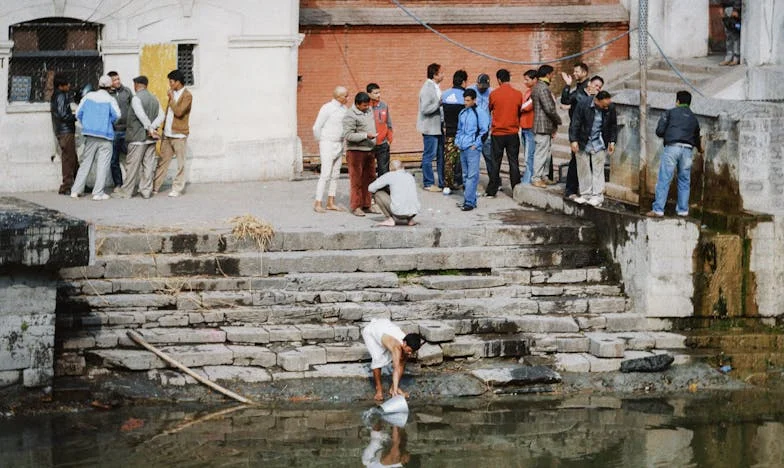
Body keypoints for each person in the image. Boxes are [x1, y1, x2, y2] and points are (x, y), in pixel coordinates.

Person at [647, 90, 703, 218]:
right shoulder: (694, 118)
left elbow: (659, 131)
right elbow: (697, 138)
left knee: (664, 178)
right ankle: (683, 210)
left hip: (672, 148)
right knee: (684, 180)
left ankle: (658, 210)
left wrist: (669, 133)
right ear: (689, 103)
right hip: (687, 150)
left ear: (677, 101)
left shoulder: (669, 113)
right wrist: (700, 149)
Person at [111, 76, 164, 199]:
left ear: (137, 85)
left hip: (137, 137)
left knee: (132, 166)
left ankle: (127, 191)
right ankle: (146, 191)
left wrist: (149, 129)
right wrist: (153, 127)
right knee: (148, 165)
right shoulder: (154, 98)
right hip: (151, 139)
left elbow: (141, 115)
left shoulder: (136, 98)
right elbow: (161, 115)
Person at [71, 75, 120, 201]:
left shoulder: (88, 96)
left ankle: (76, 190)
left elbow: (78, 113)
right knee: (103, 165)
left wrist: (86, 124)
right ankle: (98, 193)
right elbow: (117, 115)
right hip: (106, 135)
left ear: (98, 85)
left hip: (90, 135)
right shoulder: (110, 99)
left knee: (85, 163)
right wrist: (108, 121)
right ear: (110, 87)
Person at [568, 90, 617, 207]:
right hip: (583, 140)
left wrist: (612, 141)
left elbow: (613, 125)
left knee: (598, 170)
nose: (606, 107)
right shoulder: (583, 104)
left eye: (607, 105)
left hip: (599, 141)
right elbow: (575, 122)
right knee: (583, 168)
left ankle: (597, 196)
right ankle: (586, 194)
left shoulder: (610, 107)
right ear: (596, 101)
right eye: (604, 105)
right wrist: (573, 140)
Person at [563, 74, 605, 199]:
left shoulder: (599, 102)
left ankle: (589, 191)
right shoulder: (579, 96)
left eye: (599, 87)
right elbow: (575, 120)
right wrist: (573, 139)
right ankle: (570, 190)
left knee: (590, 165)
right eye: (595, 85)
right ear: (589, 84)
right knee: (575, 163)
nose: (597, 88)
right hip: (580, 136)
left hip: (592, 139)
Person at [153, 69, 193, 197]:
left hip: (179, 135)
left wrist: (171, 99)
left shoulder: (187, 95)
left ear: (178, 82)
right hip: (167, 133)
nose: (169, 84)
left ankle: (177, 188)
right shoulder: (173, 93)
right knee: (162, 161)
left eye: (171, 81)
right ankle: (154, 187)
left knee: (180, 163)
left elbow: (179, 112)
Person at [361, 318, 422, 401]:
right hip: (371, 332)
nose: (410, 353)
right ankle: (379, 389)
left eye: (413, 351)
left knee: (403, 359)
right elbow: (396, 368)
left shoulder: (408, 342)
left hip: (384, 327)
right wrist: (395, 394)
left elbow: (401, 364)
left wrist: (395, 388)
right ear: (404, 343)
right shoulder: (396, 347)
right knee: (377, 359)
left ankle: (393, 389)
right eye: (410, 350)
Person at [485, 69, 523, 197]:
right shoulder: (518, 94)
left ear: (499, 80)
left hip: (498, 133)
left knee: (496, 162)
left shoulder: (494, 94)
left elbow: (489, 109)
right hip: (512, 132)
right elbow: (519, 111)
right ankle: (516, 189)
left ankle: (492, 190)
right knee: (514, 162)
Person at [312, 85, 349, 213]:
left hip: (339, 143)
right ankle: (318, 202)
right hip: (327, 143)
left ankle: (330, 202)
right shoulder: (327, 108)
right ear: (338, 96)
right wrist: (322, 140)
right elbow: (317, 127)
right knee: (325, 174)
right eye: (345, 96)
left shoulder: (345, 109)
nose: (347, 98)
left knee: (335, 174)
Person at [343, 92, 377, 217]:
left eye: (368, 105)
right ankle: (356, 206)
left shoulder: (369, 111)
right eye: (364, 105)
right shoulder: (350, 115)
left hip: (369, 149)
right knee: (356, 180)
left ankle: (367, 204)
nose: (367, 107)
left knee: (369, 178)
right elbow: (348, 135)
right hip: (356, 151)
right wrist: (365, 135)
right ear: (357, 104)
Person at [455, 88, 489, 211]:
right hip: (463, 147)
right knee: (465, 175)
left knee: (472, 176)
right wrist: (457, 142)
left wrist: (476, 144)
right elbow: (459, 129)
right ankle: (469, 200)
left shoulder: (480, 112)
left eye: (468, 100)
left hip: (472, 148)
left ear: (474, 100)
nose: (466, 103)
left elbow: (484, 130)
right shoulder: (463, 113)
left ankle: (469, 202)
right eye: (465, 100)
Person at [530, 64, 562, 188]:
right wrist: (558, 120)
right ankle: (537, 177)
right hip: (542, 125)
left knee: (547, 154)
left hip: (545, 126)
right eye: (551, 74)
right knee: (541, 153)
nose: (552, 77)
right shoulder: (542, 88)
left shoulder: (539, 87)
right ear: (548, 74)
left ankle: (544, 176)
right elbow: (549, 108)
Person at [417, 63, 444, 192]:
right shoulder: (427, 88)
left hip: (437, 127)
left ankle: (442, 181)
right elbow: (425, 109)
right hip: (430, 127)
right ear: (435, 75)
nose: (443, 75)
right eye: (441, 73)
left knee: (440, 154)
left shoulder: (436, 87)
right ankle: (428, 183)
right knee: (429, 155)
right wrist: (439, 104)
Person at [368, 159, 421, 226]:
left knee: (378, 194)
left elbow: (371, 188)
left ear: (390, 168)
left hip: (399, 213)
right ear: (403, 167)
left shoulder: (390, 175)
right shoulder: (410, 176)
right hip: (414, 212)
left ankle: (389, 219)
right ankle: (410, 219)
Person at [441, 69, 468, 193]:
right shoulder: (466, 97)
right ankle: (462, 182)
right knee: (463, 159)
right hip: (463, 133)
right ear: (463, 82)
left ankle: (448, 184)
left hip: (449, 133)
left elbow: (441, 114)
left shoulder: (445, 94)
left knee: (449, 159)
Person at [51, 73, 78, 195]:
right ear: (61, 86)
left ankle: (79, 182)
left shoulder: (57, 95)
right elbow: (63, 114)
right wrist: (74, 117)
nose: (69, 86)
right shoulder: (61, 96)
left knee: (72, 158)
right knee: (68, 159)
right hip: (65, 131)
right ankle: (66, 186)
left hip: (63, 131)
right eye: (67, 84)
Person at [107, 71, 132, 187]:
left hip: (127, 131)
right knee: (114, 160)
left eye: (118, 79)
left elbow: (133, 108)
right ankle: (118, 185)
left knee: (131, 157)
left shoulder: (127, 91)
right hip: (113, 132)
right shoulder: (107, 94)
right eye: (114, 80)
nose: (117, 82)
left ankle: (130, 183)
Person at [468, 73, 493, 180]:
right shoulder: (470, 90)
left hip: (485, 129)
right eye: (481, 87)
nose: (482, 89)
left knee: (489, 156)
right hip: (472, 129)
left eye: (485, 87)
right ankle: (468, 180)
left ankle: (495, 180)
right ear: (477, 83)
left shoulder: (491, 92)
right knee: (470, 156)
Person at [367, 83, 394, 178]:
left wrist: (389, 140)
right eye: (375, 93)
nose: (379, 95)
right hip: (369, 144)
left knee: (384, 170)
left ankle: (384, 190)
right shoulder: (365, 106)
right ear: (369, 94)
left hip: (382, 143)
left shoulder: (383, 105)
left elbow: (389, 123)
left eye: (379, 92)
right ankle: (369, 191)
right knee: (368, 170)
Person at [519, 69, 537, 185]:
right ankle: (528, 177)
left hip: (531, 127)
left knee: (529, 156)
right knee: (527, 154)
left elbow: (525, 106)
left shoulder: (535, 92)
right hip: (524, 126)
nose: (525, 82)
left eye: (527, 79)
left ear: (535, 79)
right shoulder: (527, 92)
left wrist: (519, 107)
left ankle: (528, 179)